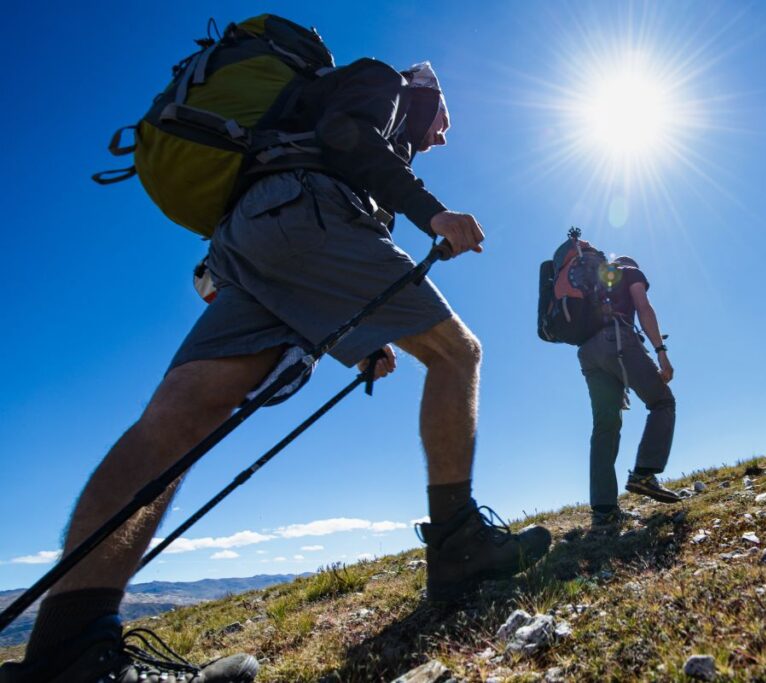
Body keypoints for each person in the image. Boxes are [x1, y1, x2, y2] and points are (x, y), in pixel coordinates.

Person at [0, 58, 550, 682]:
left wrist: (360, 338)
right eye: (445, 119)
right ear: (425, 93)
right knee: (458, 354)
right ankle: (459, 546)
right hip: (307, 212)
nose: (443, 136)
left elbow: (331, 184)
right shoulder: (385, 81)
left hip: (251, 235)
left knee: (174, 421)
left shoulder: (304, 116)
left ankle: (68, 651)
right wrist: (433, 213)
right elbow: (350, 137)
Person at [578, 254, 681, 532]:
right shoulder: (630, 271)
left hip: (587, 353)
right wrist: (661, 353)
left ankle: (603, 512)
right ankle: (645, 473)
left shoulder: (592, 281)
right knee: (662, 402)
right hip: (617, 340)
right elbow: (643, 308)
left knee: (605, 427)